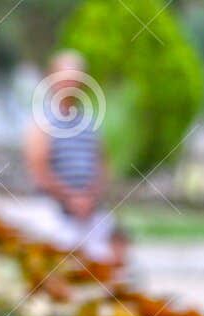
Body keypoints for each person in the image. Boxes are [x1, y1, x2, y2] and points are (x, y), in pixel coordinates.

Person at [25, 52, 120, 263]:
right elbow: (39, 168)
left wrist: (90, 196)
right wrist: (70, 198)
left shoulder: (88, 121)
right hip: (54, 212)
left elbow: (101, 161)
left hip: (89, 212)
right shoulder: (42, 121)